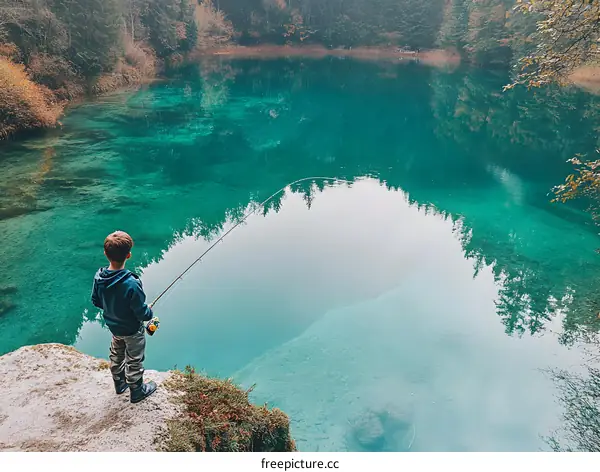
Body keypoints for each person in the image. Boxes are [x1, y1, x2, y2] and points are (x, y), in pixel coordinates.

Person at [91, 231, 157, 404]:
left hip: (114, 327)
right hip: (132, 330)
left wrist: (113, 309)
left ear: (105, 253)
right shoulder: (132, 283)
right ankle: (137, 391)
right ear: (128, 255)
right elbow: (141, 313)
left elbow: (96, 301)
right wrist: (149, 312)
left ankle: (119, 383)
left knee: (116, 353)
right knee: (134, 359)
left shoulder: (99, 278)